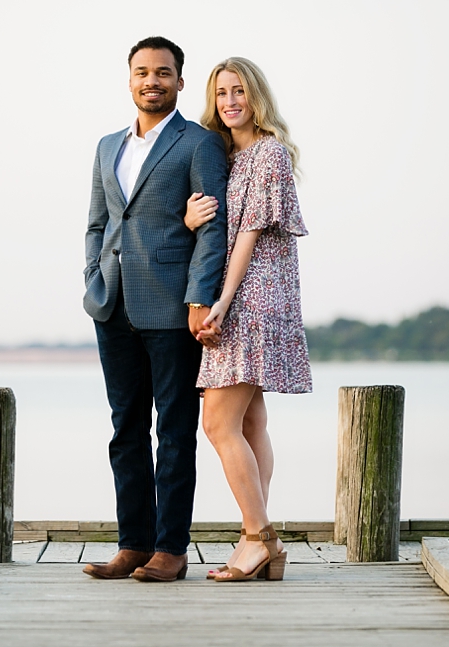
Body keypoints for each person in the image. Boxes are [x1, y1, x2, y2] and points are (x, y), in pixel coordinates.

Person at [81, 37, 229, 583]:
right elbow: (97, 223)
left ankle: (171, 548)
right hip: (111, 305)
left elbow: (213, 227)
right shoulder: (107, 147)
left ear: (179, 82)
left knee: (174, 430)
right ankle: (133, 544)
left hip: (171, 308)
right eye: (142, 72)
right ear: (129, 80)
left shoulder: (200, 143)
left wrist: (198, 297)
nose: (152, 81)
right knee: (125, 429)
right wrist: (93, 277)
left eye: (163, 72)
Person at [184, 57, 312, 582]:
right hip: (237, 295)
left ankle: (260, 538)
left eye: (239, 91)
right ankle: (255, 539)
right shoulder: (224, 156)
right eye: (221, 93)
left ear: (256, 95)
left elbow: (250, 233)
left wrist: (223, 298)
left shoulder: (269, 152)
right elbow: (213, 227)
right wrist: (189, 218)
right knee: (251, 421)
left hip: (254, 296)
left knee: (218, 423)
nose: (230, 101)